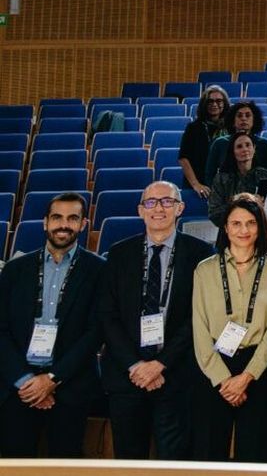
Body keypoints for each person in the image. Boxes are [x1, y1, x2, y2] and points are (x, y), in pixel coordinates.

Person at [98, 182, 212, 460]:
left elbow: (198, 317)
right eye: (150, 202)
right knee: (128, 459)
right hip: (127, 376)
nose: (158, 208)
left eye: (166, 201)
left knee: (173, 460)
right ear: (140, 210)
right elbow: (107, 316)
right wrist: (137, 366)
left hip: (175, 376)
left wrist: (160, 364)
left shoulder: (202, 255)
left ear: (180, 208)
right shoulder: (119, 253)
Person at [0, 194, 105, 457]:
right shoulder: (15, 269)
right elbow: (1, 330)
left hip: (71, 385)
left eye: (73, 218)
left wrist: (52, 379)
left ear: (83, 224)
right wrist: (27, 381)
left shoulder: (100, 270)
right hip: (18, 386)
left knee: (66, 462)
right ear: (45, 222)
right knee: (15, 463)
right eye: (57, 217)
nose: (64, 225)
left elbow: (96, 331)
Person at [192, 194, 267, 461]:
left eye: (250, 223)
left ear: (260, 227)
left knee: (255, 451)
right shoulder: (204, 270)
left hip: (257, 368)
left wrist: (246, 377)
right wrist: (224, 380)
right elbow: (199, 329)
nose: (243, 230)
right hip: (214, 366)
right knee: (210, 450)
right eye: (236, 224)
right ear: (225, 228)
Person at [208, 130, 267, 225]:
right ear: (233, 152)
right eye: (239, 147)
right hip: (230, 231)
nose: (245, 149)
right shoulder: (221, 179)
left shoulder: (266, 175)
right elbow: (214, 213)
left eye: (248, 145)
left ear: (254, 148)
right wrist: (243, 203)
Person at [180, 85, 230, 195]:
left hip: (225, 185)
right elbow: (183, 158)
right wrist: (196, 184)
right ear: (204, 104)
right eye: (210, 101)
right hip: (198, 184)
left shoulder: (231, 127)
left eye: (219, 101)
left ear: (224, 104)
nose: (214, 104)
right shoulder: (193, 127)